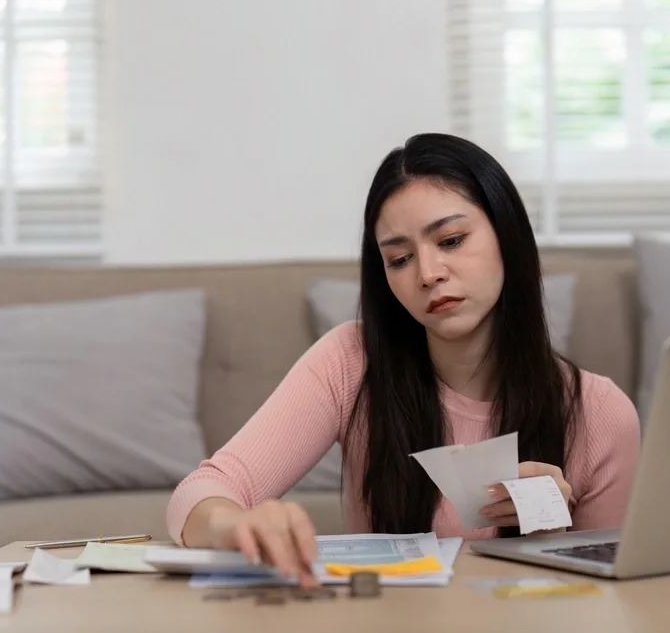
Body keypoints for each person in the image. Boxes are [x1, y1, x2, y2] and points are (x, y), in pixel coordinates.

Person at [166, 132, 640, 588]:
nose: (429, 274)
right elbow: (202, 491)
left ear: (508, 236)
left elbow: (609, 605)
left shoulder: (599, 411)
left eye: (451, 240)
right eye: (399, 259)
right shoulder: (352, 361)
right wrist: (233, 526)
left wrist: (550, 528)